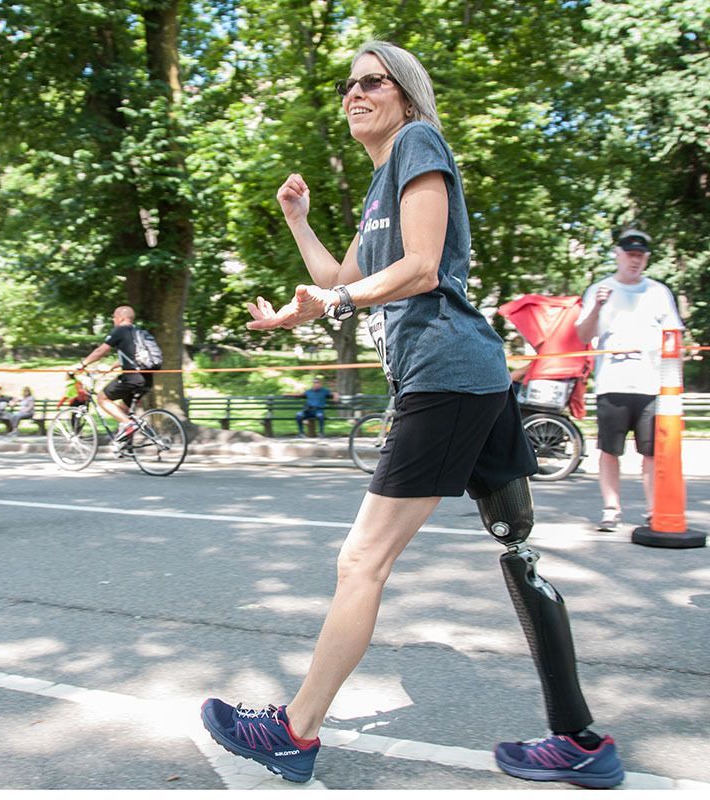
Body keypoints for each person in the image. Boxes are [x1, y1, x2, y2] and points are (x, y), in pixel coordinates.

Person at [200, 41, 624, 789]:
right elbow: (342, 279)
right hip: (472, 379)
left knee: (362, 561)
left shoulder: (417, 142)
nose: (354, 94)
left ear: (404, 94)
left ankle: (295, 731)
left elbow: (421, 268)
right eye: (347, 85)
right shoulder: (378, 191)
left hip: (445, 377)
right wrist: (299, 224)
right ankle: (580, 740)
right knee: (516, 548)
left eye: (372, 81)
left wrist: (332, 301)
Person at [576, 228, 682, 532]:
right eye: (630, 255)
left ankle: (654, 510)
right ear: (618, 256)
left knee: (651, 452)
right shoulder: (600, 289)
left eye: (640, 256)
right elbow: (584, 335)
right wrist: (597, 305)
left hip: (651, 385)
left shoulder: (658, 292)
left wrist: (674, 387)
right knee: (610, 450)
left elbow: (674, 337)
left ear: (646, 259)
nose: (635, 261)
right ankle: (611, 509)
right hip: (612, 383)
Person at [74, 305, 151, 441]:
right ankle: (127, 446)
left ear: (121, 318)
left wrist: (82, 364)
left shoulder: (120, 331)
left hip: (131, 378)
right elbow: (134, 357)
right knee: (123, 409)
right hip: (147, 378)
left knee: (102, 398)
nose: (113, 320)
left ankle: (128, 424)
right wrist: (112, 367)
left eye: (114, 317)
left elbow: (100, 351)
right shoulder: (140, 333)